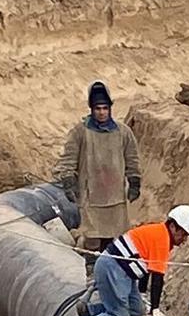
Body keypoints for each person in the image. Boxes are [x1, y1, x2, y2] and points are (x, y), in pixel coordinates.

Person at [63, 205, 189, 316]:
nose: (184, 240)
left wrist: (142, 294)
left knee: (137, 309)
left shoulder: (160, 234)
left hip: (122, 272)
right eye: (183, 234)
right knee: (119, 314)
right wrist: (155, 309)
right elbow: (157, 278)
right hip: (113, 268)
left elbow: (147, 268)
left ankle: (91, 311)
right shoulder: (162, 238)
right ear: (173, 227)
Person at [53, 81, 142, 252]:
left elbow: (132, 159)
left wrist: (134, 181)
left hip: (116, 198)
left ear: (110, 109)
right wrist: (68, 181)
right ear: (92, 110)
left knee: (115, 241)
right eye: (98, 108)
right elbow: (69, 159)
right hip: (91, 197)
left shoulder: (123, 132)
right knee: (92, 241)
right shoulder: (80, 132)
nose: (101, 112)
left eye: (104, 108)